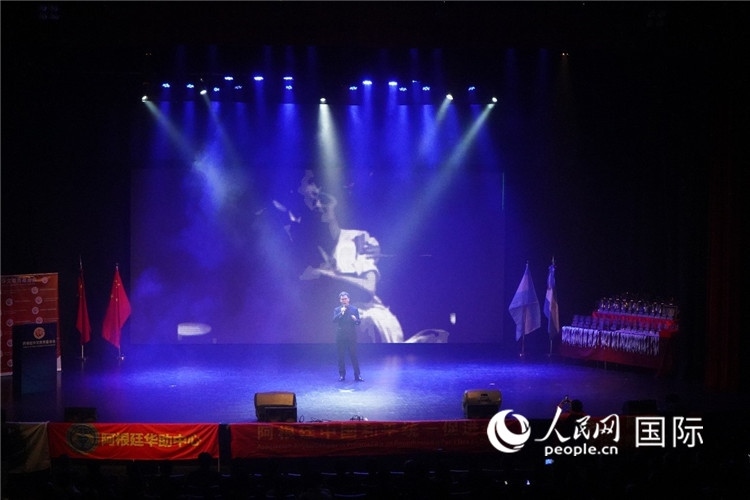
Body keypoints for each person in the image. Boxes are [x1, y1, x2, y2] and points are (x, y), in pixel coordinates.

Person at [334, 291, 363, 382]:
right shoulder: (337, 310)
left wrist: (355, 320)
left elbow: (358, 322)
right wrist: (341, 313)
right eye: (342, 299)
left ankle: (357, 375)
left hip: (351, 336)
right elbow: (334, 320)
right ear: (340, 300)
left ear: (349, 299)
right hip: (340, 337)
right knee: (341, 356)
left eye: (345, 299)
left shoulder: (354, 309)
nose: (344, 301)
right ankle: (342, 375)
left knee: (354, 356)